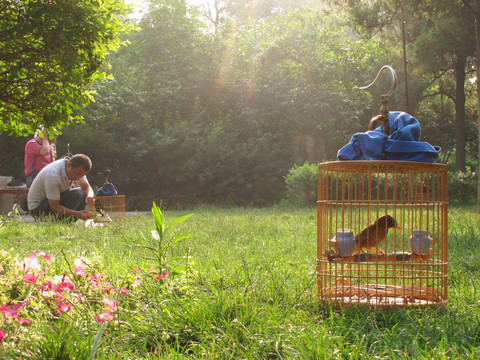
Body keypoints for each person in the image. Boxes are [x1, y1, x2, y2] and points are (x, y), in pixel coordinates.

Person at [27, 154, 94, 221]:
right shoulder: (53, 174)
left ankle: (66, 220)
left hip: (52, 202)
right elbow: (55, 207)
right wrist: (77, 214)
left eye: (82, 175)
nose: (78, 178)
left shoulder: (78, 169)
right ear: (69, 165)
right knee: (78, 194)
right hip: (38, 209)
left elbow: (86, 188)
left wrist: (89, 197)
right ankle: (58, 220)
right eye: (76, 174)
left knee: (82, 193)